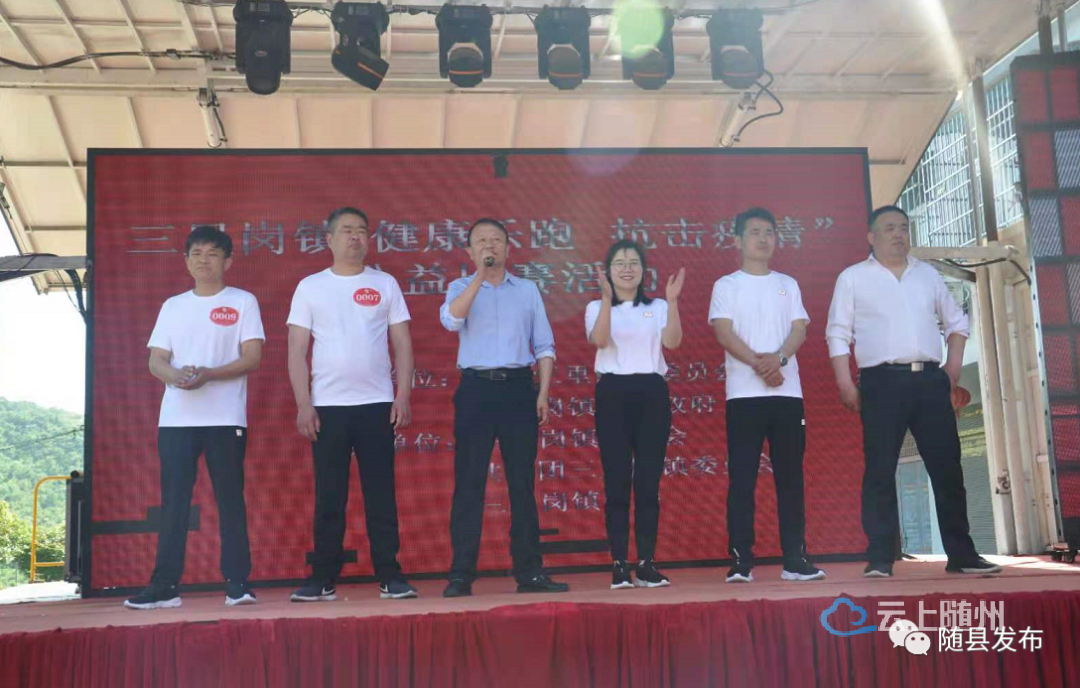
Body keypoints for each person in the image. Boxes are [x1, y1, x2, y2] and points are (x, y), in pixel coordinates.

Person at [825, 205, 1001, 578]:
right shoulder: (853, 278)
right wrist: (844, 383)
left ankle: (962, 554)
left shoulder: (928, 275)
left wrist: (953, 370)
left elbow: (957, 323)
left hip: (930, 381)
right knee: (880, 470)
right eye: (889, 228)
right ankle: (879, 557)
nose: (898, 234)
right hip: (881, 382)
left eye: (903, 227)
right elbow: (838, 333)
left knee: (947, 468)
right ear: (871, 237)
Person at [125, 225, 264, 610]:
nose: (204, 260)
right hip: (176, 420)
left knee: (230, 500)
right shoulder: (173, 306)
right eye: (197, 253)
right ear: (186, 261)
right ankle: (164, 586)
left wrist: (209, 374)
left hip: (225, 418)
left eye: (213, 254)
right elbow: (156, 360)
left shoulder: (243, 301)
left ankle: (238, 584)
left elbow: (252, 357)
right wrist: (176, 377)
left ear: (228, 261)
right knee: (174, 503)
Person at [287, 206, 418, 601]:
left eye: (361, 230)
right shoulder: (310, 287)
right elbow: (296, 352)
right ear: (329, 239)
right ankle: (322, 578)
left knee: (381, 495)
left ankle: (390, 575)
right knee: (329, 496)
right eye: (346, 231)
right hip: (327, 407)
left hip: (377, 405)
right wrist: (304, 404)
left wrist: (403, 395)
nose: (355, 237)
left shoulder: (385, 283)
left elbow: (402, 344)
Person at [440, 218, 569, 597]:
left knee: (522, 484)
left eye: (496, 240)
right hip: (476, 389)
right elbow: (451, 321)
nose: (489, 245)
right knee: (469, 483)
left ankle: (530, 572)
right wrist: (480, 277)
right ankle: (461, 574)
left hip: (518, 389)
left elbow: (544, 345)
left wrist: (542, 393)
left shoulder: (527, 290)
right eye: (481, 241)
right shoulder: (460, 287)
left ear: (509, 248)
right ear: (469, 251)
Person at [709, 207, 825, 584]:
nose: (763, 239)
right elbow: (723, 333)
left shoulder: (788, 284)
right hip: (743, 398)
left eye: (769, 233)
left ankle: (795, 559)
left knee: (790, 479)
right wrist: (762, 366)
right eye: (755, 232)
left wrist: (779, 360)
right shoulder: (726, 285)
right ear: (738, 240)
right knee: (742, 480)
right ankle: (741, 560)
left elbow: (799, 330)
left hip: (787, 395)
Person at [586, 240, 685, 589]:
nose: (627, 268)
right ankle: (619, 564)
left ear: (643, 271)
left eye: (633, 262)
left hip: (651, 393)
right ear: (609, 271)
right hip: (613, 393)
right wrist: (606, 300)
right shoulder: (596, 307)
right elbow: (600, 340)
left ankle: (646, 563)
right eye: (619, 263)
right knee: (616, 482)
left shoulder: (658, 306)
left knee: (647, 483)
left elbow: (673, 342)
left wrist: (673, 302)